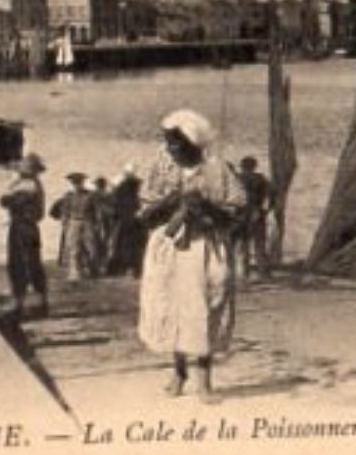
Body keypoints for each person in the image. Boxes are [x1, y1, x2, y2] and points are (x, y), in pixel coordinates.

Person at [137, 109, 246, 399]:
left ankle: (204, 379)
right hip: (169, 248)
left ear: (193, 144)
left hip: (204, 248)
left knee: (204, 308)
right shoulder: (161, 168)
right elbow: (146, 216)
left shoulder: (217, 170)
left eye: (175, 144)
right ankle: (179, 372)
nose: (169, 149)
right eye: (167, 143)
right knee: (171, 306)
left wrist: (206, 207)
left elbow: (236, 215)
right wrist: (172, 200)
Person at [0, 153, 50, 317]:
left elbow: (6, 201)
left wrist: (9, 193)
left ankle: (20, 302)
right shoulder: (34, 184)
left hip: (22, 227)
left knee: (19, 263)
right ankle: (39, 301)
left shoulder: (27, 185)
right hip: (29, 227)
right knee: (33, 263)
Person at [50, 172, 102, 280]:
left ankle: (92, 270)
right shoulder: (68, 196)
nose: (77, 185)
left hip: (88, 222)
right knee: (74, 248)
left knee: (91, 248)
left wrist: (97, 224)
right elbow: (64, 211)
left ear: (82, 183)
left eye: (79, 183)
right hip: (73, 223)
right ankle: (75, 273)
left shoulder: (89, 196)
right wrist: (65, 223)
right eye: (75, 183)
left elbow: (96, 211)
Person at [233, 156, 276, 280]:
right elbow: (272, 193)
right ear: (255, 166)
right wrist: (268, 209)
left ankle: (244, 273)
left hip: (242, 214)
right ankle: (263, 273)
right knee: (260, 245)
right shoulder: (260, 178)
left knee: (243, 245)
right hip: (258, 212)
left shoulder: (238, 178)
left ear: (242, 166)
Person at [105, 163, 146, 277]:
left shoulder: (120, 187)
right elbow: (140, 202)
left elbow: (114, 203)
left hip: (123, 220)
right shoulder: (138, 185)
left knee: (119, 244)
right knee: (136, 245)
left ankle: (120, 269)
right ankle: (135, 269)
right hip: (135, 219)